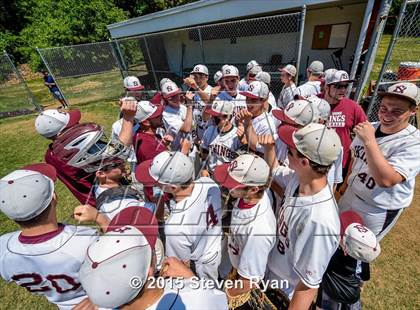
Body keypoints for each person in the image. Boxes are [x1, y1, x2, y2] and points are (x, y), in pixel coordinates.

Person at [79, 206, 228, 309]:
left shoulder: (103, 302)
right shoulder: (198, 299)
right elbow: (219, 301)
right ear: (150, 273)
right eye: (150, 250)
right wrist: (191, 278)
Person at [263, 123, 341, 310]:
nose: (286, 154)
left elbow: (307, 285)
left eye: (290, 151)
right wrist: (269, 149)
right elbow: (274, 169)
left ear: (305, 162)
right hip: (269, 272)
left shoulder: (320, 221)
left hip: (284, 292)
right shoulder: (298, 179)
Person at [0, 163, 98, 309]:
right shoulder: (85, 240)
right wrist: (100, 218)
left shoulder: (3, 247)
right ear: (54, 198)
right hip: (101, 301)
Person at [338, 82, 420, 240]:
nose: (387, 115)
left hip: (377, 208)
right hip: (351, 194)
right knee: (336, 239)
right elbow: (354, 159)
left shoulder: (414, 142)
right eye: (384, 108)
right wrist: (345, 185)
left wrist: (369, 141)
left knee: (358, 251)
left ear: (413, 110)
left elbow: (386, 180)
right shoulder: (371, 127)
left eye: (397, 111)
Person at [135, 151, 222, 282]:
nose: (155, 185)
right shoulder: (209, 183)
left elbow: (180, 266)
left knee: (206, 291)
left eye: (158, 182)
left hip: (199, 266)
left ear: (173, 187)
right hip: (215, 248)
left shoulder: (174, 227)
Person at [213, 154, 276, 301]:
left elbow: (249, 282)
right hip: (235, 262)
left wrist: (224, 296)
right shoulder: (250, 195)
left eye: (233, 183)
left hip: (242, 279)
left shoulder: (257, 231)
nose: (227, 185)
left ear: (254, 189)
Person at [316, 210, 381, 310]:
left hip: (329, 291)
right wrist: (360, 287)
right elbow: (363, 279)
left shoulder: (331, 251)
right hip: (352, 296)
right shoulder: (362, 261)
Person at [35, 108, 96, 206]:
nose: (78, 124)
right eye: (73, 124)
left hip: (87, 201)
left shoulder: (49, 156)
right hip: (104, 197)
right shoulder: (78, 151)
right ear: (60, 134)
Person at [323, 70, 368, 175]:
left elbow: (366, 131)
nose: (343, 90)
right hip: (315, 160)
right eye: (338, 86)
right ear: (326, 87)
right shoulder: (315, 102)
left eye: (345, 86)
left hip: (340, 163)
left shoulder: (353, 107)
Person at [237, 80, 288, 162]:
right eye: (247, 98)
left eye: (253, 100)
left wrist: (245, 142)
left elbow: (264, 155)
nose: (248, 103)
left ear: (263, 100)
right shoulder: (244, 114)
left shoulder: (266, 125)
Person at [201, 100, 245, 174]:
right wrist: (204, 168)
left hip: (229, 177)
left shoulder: (237, 136)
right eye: (212, 115)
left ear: (227, 117)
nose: (212, 118)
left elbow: (241, 162)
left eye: (215, 116)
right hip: (211, 174)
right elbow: (205, 149)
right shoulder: (209, 130)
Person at [183, 64, 212, 141]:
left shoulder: (211, 90)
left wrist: (195, 86)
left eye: (201, 75)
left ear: (207, 77)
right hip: (199, 129)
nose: (198, 79)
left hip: (211, 129)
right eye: (195, 76)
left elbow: (209, 101)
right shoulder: (192, 91)